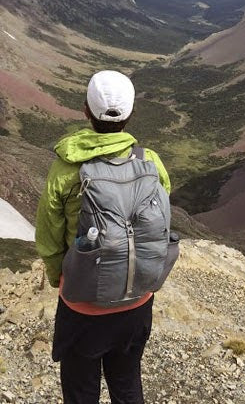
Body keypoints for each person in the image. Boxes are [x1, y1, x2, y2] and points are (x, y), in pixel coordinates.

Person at [35, 69, 171, 404]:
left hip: (83, 305)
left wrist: (60, 279)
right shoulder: (150, 161)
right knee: (126, 384)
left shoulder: (67, 169)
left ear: (85, 110)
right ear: (131, 114)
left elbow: (49, 237)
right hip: (137, 299)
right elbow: (161, 213)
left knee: (81, 391)